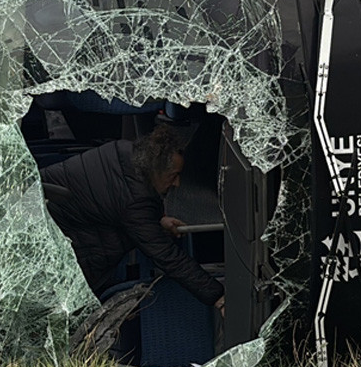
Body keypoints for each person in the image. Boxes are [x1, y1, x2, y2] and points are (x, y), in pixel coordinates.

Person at [40, 124, 225, 311]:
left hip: (44, 208)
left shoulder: (123, 150)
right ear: (156, 170)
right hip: (58, 246)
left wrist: (156, 222)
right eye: (173, 175)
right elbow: (166, 255)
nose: (177, 183)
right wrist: (217, 296)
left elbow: (113, 204)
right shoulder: (135, 200)